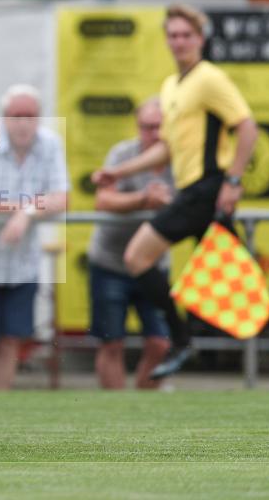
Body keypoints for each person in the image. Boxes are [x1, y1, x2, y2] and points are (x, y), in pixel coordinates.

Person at [91, 4, 269, 388]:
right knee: (242, 279)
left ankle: (181, 340)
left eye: (187, 35)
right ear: (167, 39)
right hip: (194, 191)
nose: (179, 41)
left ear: (201, 39)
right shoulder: (172, 86)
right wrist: (118, 172)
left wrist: (233, 182)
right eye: (174, 35)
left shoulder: (209, 78)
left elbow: (247, 128)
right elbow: (165, 148)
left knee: (137, 257)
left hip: (206, 189)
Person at [0, 84, 69, 390]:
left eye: (29, 115)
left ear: (39, 117)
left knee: (9, 342)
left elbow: (62, 198)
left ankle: (0, 410)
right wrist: (20, 209)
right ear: (5, 117)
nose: (23, 122)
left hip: (22, 263)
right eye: (16, 115)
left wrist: (27, 214)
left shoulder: (50, 144)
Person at [88, 98, 173, 389]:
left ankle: (143, 406)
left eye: (160, 127)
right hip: (111, 262)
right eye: (147, 127)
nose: (154, 133)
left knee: (160, 343)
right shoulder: (123, 153)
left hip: (153, 263)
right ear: (139, 127)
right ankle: (115, 413)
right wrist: (145, 199)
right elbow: (103, 200)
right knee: (111, 344)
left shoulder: (182, 161)